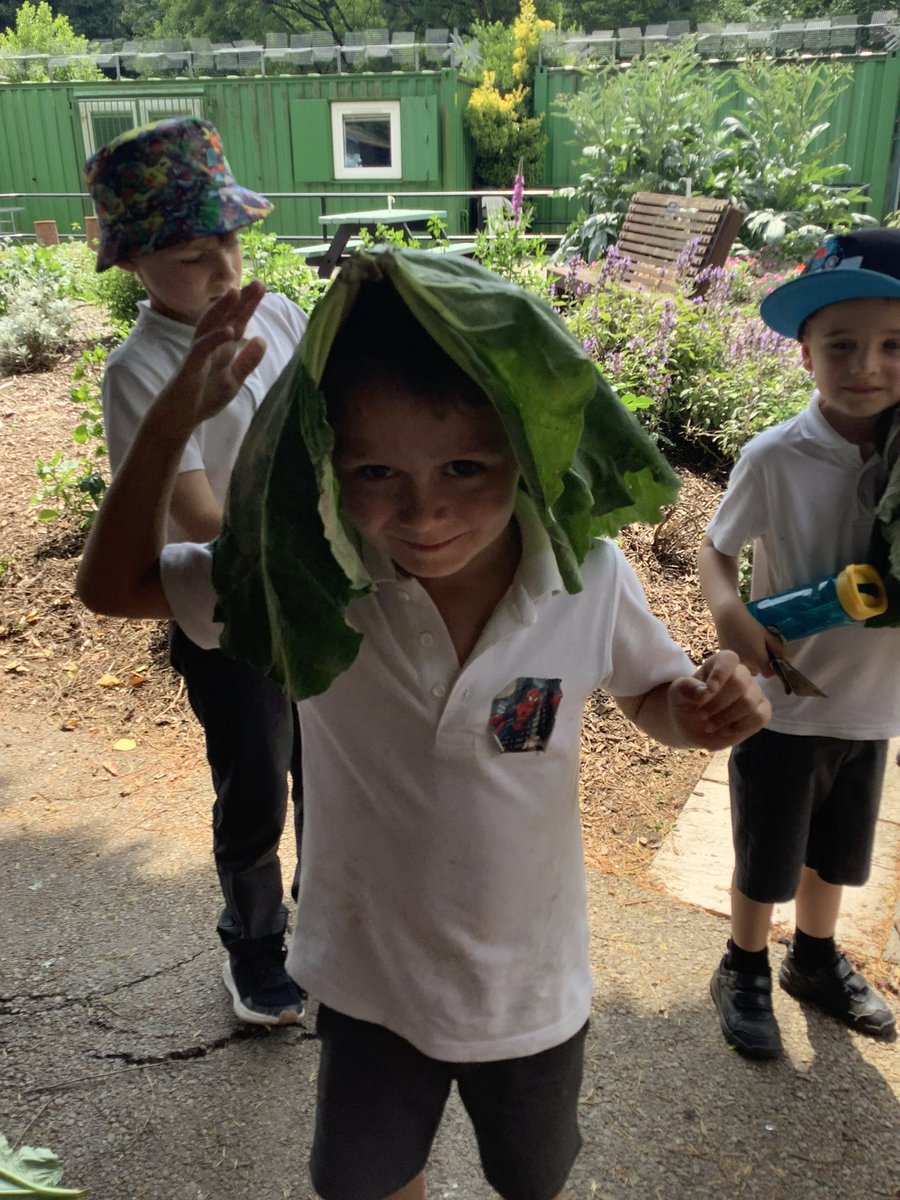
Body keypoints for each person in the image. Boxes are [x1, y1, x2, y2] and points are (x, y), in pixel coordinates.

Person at [75, 249, 770, 1200]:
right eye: (373, 470)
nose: (425, 509)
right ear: (323, 459)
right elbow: (112, 588)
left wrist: (700, 712)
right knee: (367, 1183)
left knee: (532, 1181)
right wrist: (170, 423)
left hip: (534, 992)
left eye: (465, 465)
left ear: (524, 447)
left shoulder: (586, 573)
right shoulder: (308, 574)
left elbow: (652, 695)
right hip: (368, 988)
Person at [82, 115, 309, 1026]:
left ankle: (330, 930)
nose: (221, 270)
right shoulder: (141, 371)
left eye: (229, 240)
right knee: (254, 784)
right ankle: (255, 945)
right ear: (134, 264)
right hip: (228, 626)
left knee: (330, 776)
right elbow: (198, 511)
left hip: (321, 604)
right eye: (188, 256)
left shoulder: (280, 314)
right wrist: (303, 533)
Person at [699, 227, 900, 1061]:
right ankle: (744, 963)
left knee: (839, 852)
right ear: (804, 354)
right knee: (768, 853)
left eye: (894, 346)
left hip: (873, 701)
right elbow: (716, 547)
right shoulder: (775, 456)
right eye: (842, 345)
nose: (868, 366)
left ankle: (812, 957)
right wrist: (729, 615)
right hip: (783, 704)